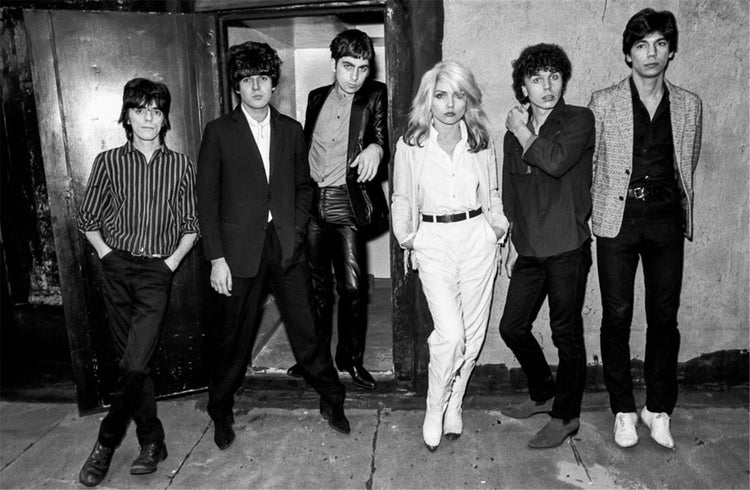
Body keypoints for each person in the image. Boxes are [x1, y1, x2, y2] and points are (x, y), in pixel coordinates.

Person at [196, 41, 350, 450]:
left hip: (285, 247)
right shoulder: (219, 132)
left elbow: (304, 187)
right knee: (234, 337)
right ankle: (221, 410)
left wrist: (296, 230)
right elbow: (206, 201)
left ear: (273, 84)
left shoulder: (290, 130)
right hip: (236, 252)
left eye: (263, 79)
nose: (257, 87)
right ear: (237, 88)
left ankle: (332, 400)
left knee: (308, 328)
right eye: (248, 81)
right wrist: (216, 258)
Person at [77, 78, 199, 486]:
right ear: (127, 116)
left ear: (164, 119)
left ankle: (105, 443)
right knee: (134, 364)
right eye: (140, 109)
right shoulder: (109, 161)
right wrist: (107, 254)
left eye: (156, 110)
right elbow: (87, 218)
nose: (148, 118)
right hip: (116, 268)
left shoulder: (180, 165)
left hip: (156, 273)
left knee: (133, 362)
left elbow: (191, 224)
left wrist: (169, 265)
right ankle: (151, 441)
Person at [589, 8, 702, 449]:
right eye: (641, 45)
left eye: (659, 43)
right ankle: (622, 409)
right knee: (617, 315)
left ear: (670, 50)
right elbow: (596, 164)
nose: (650, 53)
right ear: (627, 55)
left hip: (666, 220)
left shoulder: (689, 104)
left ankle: (658, 409)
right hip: (618, 221)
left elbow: (685, 163)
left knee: (664, 316)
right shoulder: (604, 101)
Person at [392, 61, 508, 451]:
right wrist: (410, 239)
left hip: (476, 238)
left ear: (467, 99)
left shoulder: (479, 140)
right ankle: (434, 405)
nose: (450, 104)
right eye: (441, 95)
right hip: (434, 240)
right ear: (429, 99)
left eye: (459, 95)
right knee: (451, 334)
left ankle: (455, 402)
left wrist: (495, 229)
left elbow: (491, 193)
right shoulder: (411, 144)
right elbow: (403, 196)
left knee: (473, 336)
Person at [498, 44, 594, 449]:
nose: (547, 86)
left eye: (554, 76)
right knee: (512, 327)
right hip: (531, 249)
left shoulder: (578, 120)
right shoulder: (509, 138)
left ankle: (566, 416)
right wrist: (508, 240)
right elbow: (511, 195)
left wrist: (523, 132)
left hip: (568, 246)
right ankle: (543, 392)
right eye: (536, 78)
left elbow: (554, 162)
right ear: (524, 86)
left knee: (565, 334)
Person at [286, 29, 389, 391]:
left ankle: (350, 359)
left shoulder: (375, 95)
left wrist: (377, 150)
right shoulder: (316, 98)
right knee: (315, 288)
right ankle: (314, 359)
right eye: (348, 67)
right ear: (334, 64)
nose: (355, 76)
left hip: (347, 202)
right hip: (314, 203)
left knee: (353, 286)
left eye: (362, 68)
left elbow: (381, 138)